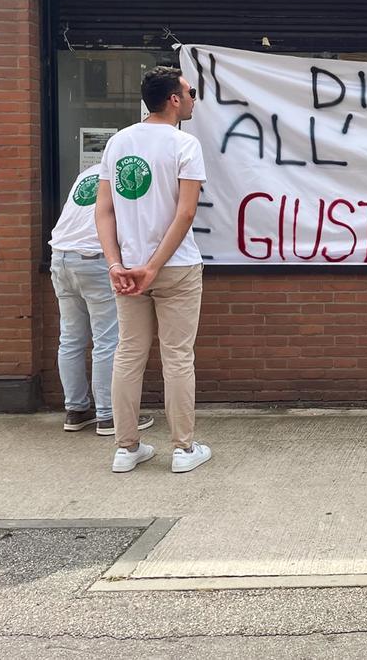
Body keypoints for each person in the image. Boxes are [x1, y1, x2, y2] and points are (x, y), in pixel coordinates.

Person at [96, 66, 211, 474]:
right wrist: (154, 266)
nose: (194, 98)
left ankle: (126, 448)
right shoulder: (185, 144)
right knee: (178, 356)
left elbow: (104, 211)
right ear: (174, 99)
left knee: (128, 353)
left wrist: (117, 263)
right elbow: (186, 213)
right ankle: (182, 449)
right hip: (174, 267)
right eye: (191, 91)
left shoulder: (117, 143)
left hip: (127, 269)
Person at [49, 164, 152, 436]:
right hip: (94, 259)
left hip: (61, 256)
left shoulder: (88, 173)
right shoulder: (127, 175)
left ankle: (76, 411)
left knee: (70, 338)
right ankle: (108, 415)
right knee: (107, 340)